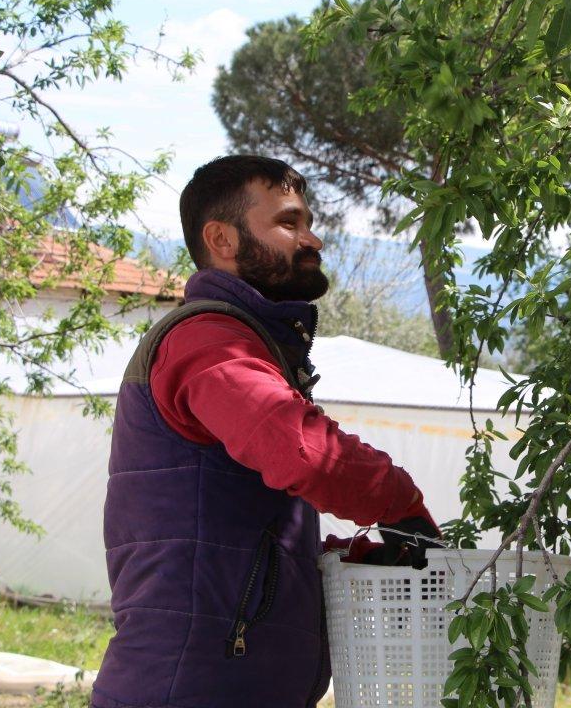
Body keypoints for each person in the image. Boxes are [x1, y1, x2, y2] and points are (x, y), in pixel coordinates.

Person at [91, 155, 441, 708]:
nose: (313, 239)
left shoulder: (249, 345)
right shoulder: (207, 342)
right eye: (288, 223)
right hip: (187, 692)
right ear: (221, 239)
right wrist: (400, 504)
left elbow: (235, 538)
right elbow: (301, 453)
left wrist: (341, 561)